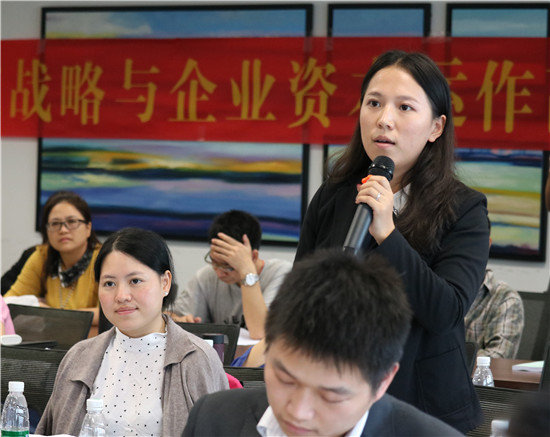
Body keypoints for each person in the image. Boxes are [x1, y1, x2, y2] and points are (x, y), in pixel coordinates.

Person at [294, 50, 490, 432]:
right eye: (374, 103)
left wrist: (388, 233)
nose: (384, 119)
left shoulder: (464, 209)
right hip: (334, 400)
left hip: (424, 408)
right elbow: (301, 296)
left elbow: (445, 312)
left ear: (436, 127)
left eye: (404, 107)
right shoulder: (334, 196)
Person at [184, 249, 462, 437]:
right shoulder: (214, 420)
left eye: (331, 396)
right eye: (285, 379)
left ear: (383, 381)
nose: (298, 412)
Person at [36, 227, 228, 436]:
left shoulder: (197, 359)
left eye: (135, 281)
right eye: (109, 283)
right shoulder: (78, 357)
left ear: (165, 283)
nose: (121, 295)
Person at [171, 210, 291, 339]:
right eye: (214, 262)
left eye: (228, 266)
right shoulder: (206, 277)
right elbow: (168, 317)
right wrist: (180, 320)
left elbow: (260, 332)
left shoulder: (281, 273)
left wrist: (247, 270)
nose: (219, 272)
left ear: (253, 257)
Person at [5, 191, 101, 325]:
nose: (63, 230)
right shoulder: (41, 256)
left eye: (71, 221)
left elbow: (108, 314)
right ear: (47, 230)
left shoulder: (104, 259)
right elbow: (8, 303)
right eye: (55, 223)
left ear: (88, 228)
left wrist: (49, 313)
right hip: (52, 335)